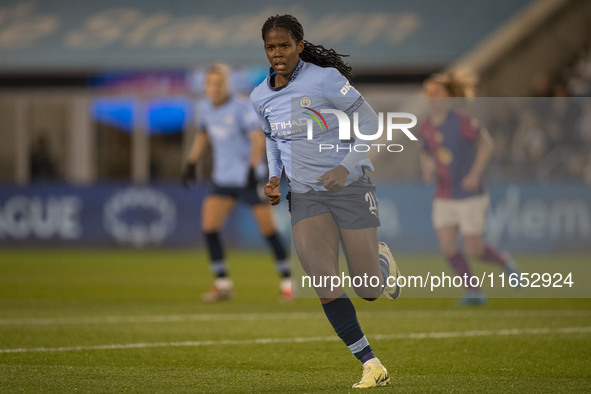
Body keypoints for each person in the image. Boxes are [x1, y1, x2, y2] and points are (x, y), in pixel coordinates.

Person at [250, 15, 400, 389]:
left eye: (285, 45)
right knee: (322, 278)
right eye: (271, 47)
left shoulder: (326, 79)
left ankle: (380, 261)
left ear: (299, 45)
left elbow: (371, 124)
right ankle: (370, 363)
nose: (278, 53)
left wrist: (344, 167)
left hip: (349, 186)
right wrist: (274, 176)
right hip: (305, 195)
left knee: (367, 290)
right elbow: (272, 139)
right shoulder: (259, 96)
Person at [182, 63, 291, 302]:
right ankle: (222, 284)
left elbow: (257, 139)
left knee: (268, 230)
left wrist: (253, 169)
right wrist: (191, 163)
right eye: (211, 83)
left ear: (226, 84)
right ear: (206, 86)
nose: (215, 88)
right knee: (209, 227)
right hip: (223, 178)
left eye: (219, 83)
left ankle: (287, 282)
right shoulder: (204, 108)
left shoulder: (241, 107)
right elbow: (202, 135)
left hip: (248, 178)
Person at [419, 70, 520, 306]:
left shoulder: (463, 122)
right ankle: (474, 291)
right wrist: (427, 168)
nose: (432, 98)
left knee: (473, 248)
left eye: (437, 93)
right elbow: (425, 151)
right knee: (447, 246)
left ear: (449, 96)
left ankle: (504, 261)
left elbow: (486, 143)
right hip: (443, 193)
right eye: (429, 93)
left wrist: (474, 174)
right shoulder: (425, 127)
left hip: (469, 193)